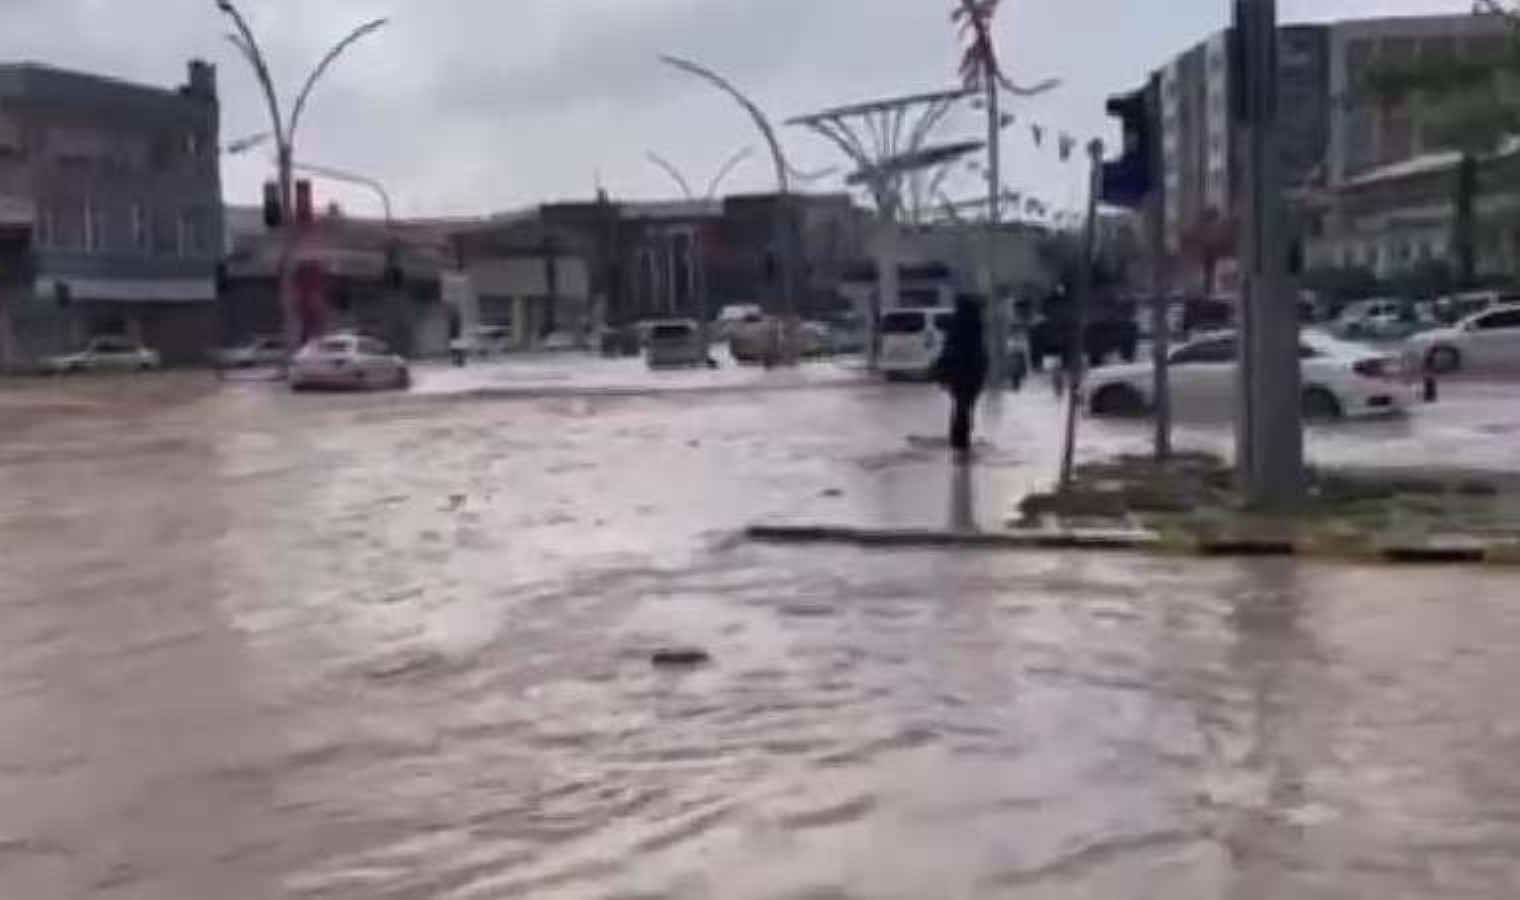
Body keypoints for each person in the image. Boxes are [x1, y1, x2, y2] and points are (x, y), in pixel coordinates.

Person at [933, 295, 990, 453]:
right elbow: (978, 351)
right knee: (965, 406)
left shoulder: (957, 324)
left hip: (960, 373)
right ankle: (961, 441)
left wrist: (944, 372)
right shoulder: (975, 325)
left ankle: (959, 440)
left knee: (961, 406)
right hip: (970, 372)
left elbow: (948, 349)